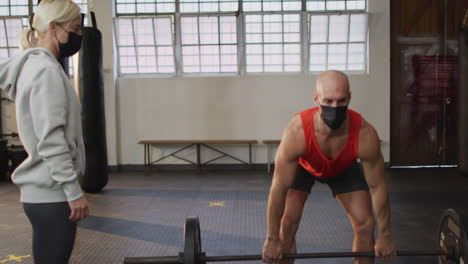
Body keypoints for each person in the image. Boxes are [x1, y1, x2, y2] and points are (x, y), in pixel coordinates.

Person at [262, 70, 396, 264]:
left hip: (343, 167)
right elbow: (278, 188)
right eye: (328, 101)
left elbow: (378, 186)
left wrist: (385, 235)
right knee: (287, 226)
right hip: (304, 167)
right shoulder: (297, 132)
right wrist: (271, 239)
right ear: (316, 99)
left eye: (341, 101)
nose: (335, 107)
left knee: (366, 224)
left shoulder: (365, 135)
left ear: (349, 97)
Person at [0, 0, 89, 263]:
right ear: (54, 27)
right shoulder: (45, 71)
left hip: (47, 193)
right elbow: (51, 140)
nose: (78, 36)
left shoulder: (37, 67)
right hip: (53, 195)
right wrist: (73, 192)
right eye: (74, 28)